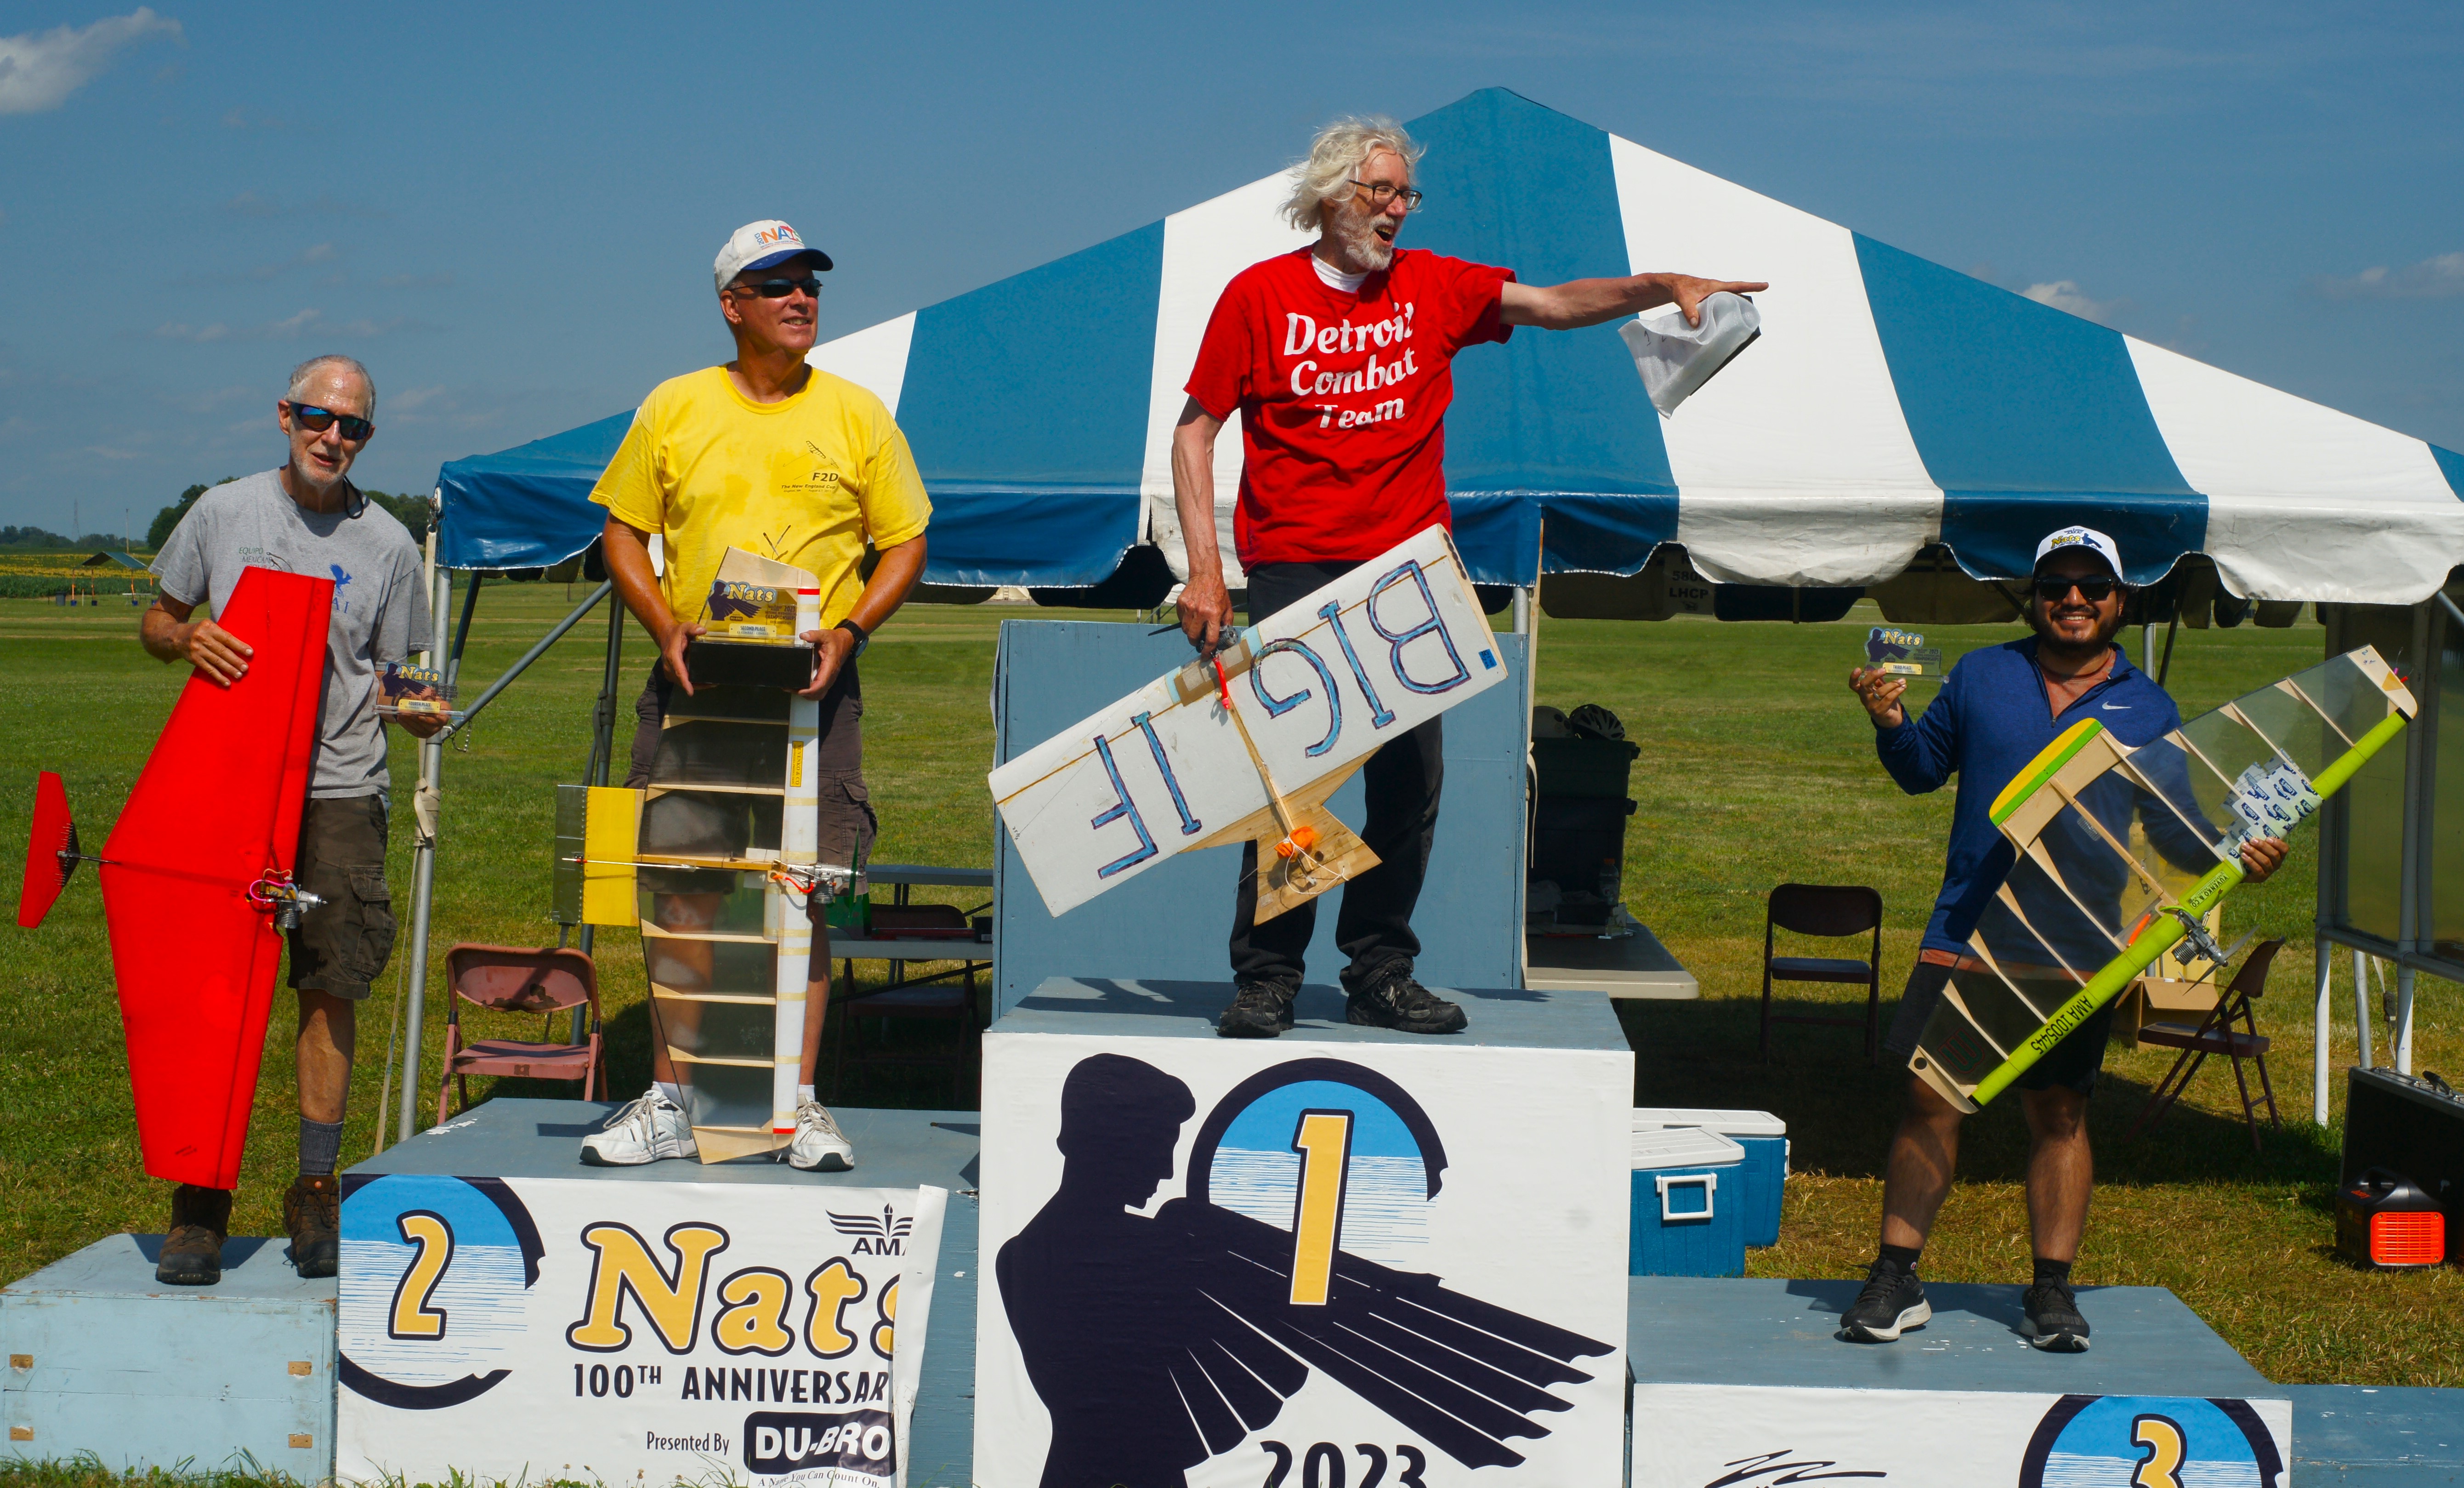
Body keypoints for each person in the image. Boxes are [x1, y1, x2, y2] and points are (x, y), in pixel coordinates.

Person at [1172, 115, 1765, 1038]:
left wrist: (1661, 285)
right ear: (1335, 195)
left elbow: (1559, 304)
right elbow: (1194, 429)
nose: (1399, 210)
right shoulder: (1257, 295)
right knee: (1296, 784)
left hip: (1409, 570)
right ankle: (1268, 977)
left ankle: (1380, 970)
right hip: (1295, 562)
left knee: (1410, 779)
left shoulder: (1433, 285)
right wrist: (1204, 572)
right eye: (1384, 192)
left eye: (1407, 194)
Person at [1839, 525, 2289, 1352]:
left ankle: (2050, 1291)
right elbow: (1917, 769)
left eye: (2092, 587)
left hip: (2075, 946)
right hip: (1966, 932)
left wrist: (2242, 856)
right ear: (2034, 595)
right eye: (2056, 586)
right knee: (1930, 1101)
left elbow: (2176, 834)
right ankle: (1896, 1277)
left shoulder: (2147, 706)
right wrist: (1890, 719)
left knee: (2059, 1113)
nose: (2073, 600)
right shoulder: (1983, 674)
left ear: (2120, 600)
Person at [581, 219, 930, 1171]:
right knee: (687, 896)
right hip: (697, 682)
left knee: (800, 893)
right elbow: (622, 530)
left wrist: (851, 630)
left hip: (815, 691)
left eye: (809, 282)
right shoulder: (675, 404)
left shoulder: (856, 412)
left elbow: (905, 542)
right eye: (774, 284)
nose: (800, 298)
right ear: (731, 304)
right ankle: (672, 1098)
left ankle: (796, 1104)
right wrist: (664, 625)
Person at [143, 354, 437, 1284]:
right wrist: (187, 638)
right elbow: (157, 618)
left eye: (352, 426)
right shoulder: (223, 513)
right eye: (319, 417)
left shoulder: (388, 542)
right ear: (284, 415)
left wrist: (419, 704)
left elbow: (400, 675)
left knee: (331, 981)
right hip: (226, 782)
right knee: (213, 987)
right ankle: (199, 1200)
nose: (333, 437)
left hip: (342, 789)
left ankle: (316, 1188)